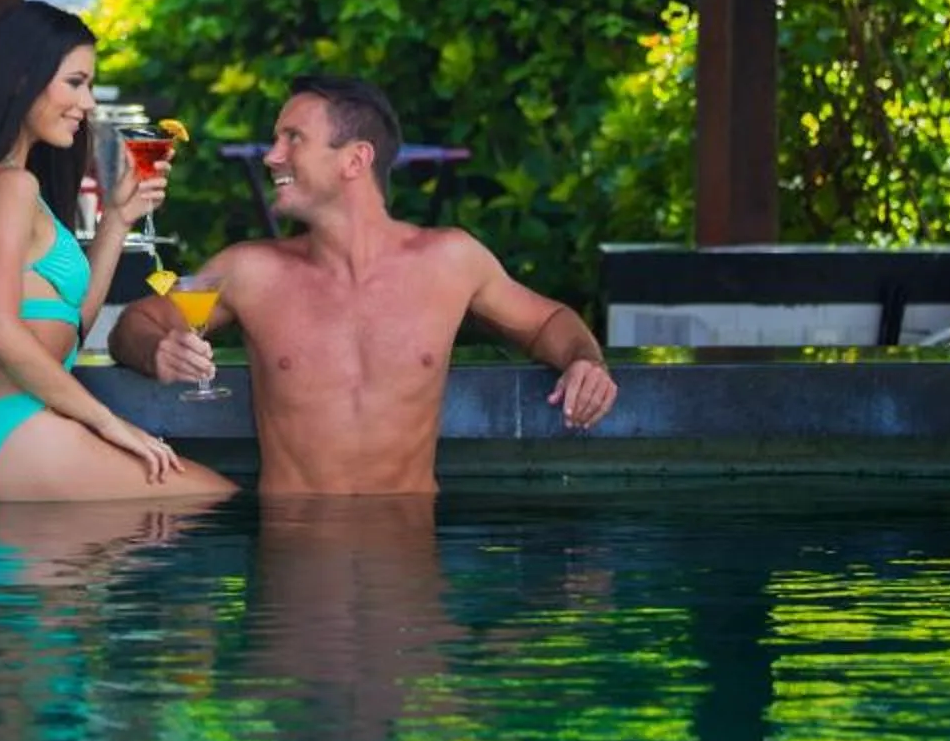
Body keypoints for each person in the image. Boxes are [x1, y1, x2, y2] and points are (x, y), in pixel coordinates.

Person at [109, 75, 616, 495]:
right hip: (297, 564)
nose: (271, 156)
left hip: (406, 559)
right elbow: (137, 322)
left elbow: (550, 320)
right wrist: (157, 349)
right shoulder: (251, 271)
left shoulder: (449, 261)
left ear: (355, 160)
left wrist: (584, 361)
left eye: (293, 139)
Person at [0, 0, 236, 503]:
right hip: (14, 439)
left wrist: (117, 222)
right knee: (218, 498)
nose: (87, 105)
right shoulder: (10, 186)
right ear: (21, 79)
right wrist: (110, 425)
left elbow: (69, 327)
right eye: (76, 82)